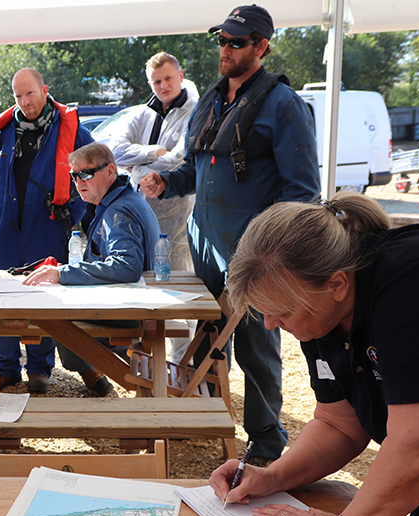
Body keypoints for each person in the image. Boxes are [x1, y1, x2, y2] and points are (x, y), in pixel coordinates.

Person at [209, 192, 419, 516]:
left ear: (337, 285)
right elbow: (339, 423)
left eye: (281, 312)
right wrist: (272, 476)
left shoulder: (413, 277)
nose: (270, 324)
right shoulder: (320, 309)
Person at [142, 5, 320, 461]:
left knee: (256, 349)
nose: (225, 49)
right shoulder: (210, 100)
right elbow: (194, 168)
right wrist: (168, 182)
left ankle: (266, 443)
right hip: (204, 245)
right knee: (207, 337)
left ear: (261, 47)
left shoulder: (285, 105)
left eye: (236, 42)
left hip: (255, 255)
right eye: (221, 40)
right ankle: (208, 419)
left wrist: (274, 254)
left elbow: (303, 194)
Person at [0, 68, 93, 393]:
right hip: (3, 227)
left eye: (29, 93)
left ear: (44, 89)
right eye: (18, 96)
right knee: (0, 295)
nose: (25, 102)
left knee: (43, 297)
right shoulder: (1, 132)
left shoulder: (72, 131)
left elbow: (91, 173)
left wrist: (74, 216)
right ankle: (5, 367)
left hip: (48, 225)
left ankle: (40, 369)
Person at [24, 143, 161, 395]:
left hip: (133, 311)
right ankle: (94, 374)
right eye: (73, 175)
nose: (78, 181)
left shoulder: (119, 210)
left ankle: (97, 371)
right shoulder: (120, 200)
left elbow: (127, 266)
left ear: (110, 171)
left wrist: (63, 274)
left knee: (53, 314)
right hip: (138, 301)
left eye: (85, 174)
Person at [111, 52, 199, 363]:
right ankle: (150, 366)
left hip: (175, 217)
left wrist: (140, 166)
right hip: (141, 217)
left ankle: (180, 367)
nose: (163, 86)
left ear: (180, 74)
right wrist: (152, 152)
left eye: (168, 78)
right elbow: (113, 149)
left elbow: (179, 158)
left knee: (177, 289)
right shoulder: (141, 114)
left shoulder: (195, 111)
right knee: (145, 290)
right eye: (156, 81)